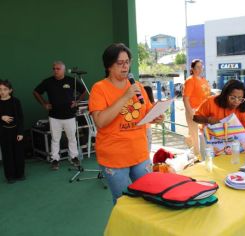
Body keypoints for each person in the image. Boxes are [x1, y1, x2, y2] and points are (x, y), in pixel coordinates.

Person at [89, 43, 164, 204]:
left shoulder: (136, 86)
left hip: (140, 154)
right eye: (120, 63)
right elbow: (100, 121)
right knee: (124, 202)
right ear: (109, 65)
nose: (125, 66)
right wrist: (125, 97)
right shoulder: (99, 88)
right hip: (114, 158)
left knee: (149, 197)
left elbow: (146, 112)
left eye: (127, 62)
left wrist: (156, 117)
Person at [33, 61, 86, 170]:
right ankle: (55, 159)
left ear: (63, 70)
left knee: (72, 138)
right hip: (54, 116)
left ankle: (74, 157)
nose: (55, 71)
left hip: (70, 116)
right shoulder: (48, 82)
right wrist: (44, 104)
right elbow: (36, 92)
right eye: (54, 69)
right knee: (55, 139)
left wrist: (77, 101)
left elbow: (84, 91)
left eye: (58, 69)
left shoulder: (71, 80)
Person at [193, 79, 245, 158]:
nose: (236, 102)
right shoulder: (210, 102)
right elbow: (195, 118)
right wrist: (207, 120)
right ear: (225, 95)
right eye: (232, 98)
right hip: (209, 141)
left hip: (231, 142)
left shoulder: (242, 108)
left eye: (240, 99)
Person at [183, 59, 211, 156]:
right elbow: (185, 98)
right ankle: (197, 157)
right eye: (197, 67)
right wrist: (191, 113)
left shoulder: (203, 80)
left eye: (201, 66)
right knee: (196, 137)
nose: (200, 69)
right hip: (194, 110)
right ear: (192, 68)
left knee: (202, 134)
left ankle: (189, 141)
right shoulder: (190, 80)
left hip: (204, 111)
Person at [0, 80, 25, 183]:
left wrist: (20, 132)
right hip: (3, 132)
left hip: (16, 132)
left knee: (18, 153)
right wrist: (2, 117)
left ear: (10, 90)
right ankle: (9, 176)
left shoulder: (16, 101)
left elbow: (20, 117)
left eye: (5, 89)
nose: (2, 92)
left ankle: (20, 174)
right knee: (7, 154)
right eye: (0, 89)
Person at [144, 85, 155, 153]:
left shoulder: (145, 103)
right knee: (148, 148)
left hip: (143, 128)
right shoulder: (152, 103)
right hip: (148, 128)